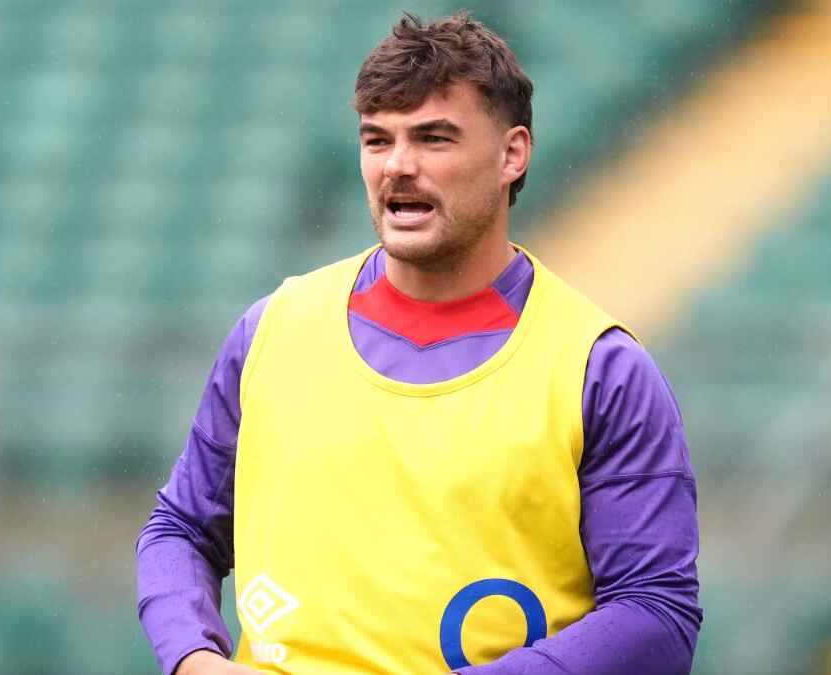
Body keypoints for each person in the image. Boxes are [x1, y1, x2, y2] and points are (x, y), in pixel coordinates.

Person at [137, 11, 701, 675]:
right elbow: (180, 528)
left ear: (512, 153)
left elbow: (656, 613)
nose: (398, 166)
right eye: (378, 140)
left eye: (433, 139)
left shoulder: (599, 369)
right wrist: (194, 657)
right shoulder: (272, 330)